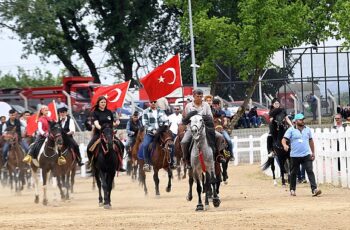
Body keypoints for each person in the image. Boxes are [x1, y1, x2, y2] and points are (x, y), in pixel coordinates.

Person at [281, 113, 322, 197]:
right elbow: (283, 140)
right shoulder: (291, 130)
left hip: (306, 154)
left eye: (303, 119)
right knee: (293, 173)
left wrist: (313, 152)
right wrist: (285, 145)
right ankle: (292, 189)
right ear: (296, 121)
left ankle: (314, 189)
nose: (303, 121)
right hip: (294, 155)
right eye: (300, 119)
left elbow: (311, 141)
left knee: (310, 170)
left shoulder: (308, 130)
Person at [86, 96, 124, 171]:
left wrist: (116, 123)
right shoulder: (95, 113)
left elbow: (112, 123)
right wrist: (103, 130)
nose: (103, 103)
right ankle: (91, 164)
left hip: (110, 133)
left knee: (121, 145)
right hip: (99, 133)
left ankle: (119, 164)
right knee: (89, 147)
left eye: (104, 102)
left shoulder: (109, 112)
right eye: (102, 102)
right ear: (98, 103)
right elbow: (96, 124)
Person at [181, 89, 213, 168]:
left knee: (219, 136)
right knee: (184, 142)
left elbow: (210, 117)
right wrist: (189, 116)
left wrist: (201, 117)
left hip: (204, 128)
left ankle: (218, 156)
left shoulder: (206, 105)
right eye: (197, 96)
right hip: (192, 129)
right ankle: (186, 160)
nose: (199, 98)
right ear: (193, 96)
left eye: (201, 96)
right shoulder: (188, 106)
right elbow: (185, 120)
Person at [141, 100, 171, 172]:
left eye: (155, 102)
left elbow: (166, 120)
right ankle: (147, 163)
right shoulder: (145, 111)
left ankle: (172, 161)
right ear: (149, 103)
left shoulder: (161, 111)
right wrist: (152, 130)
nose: (153, 103)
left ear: (157, 103)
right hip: (150, 133)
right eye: (152, 102)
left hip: (161, 132)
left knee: (170, 142)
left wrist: (165, 126)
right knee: (145, 145)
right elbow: (145, 123)